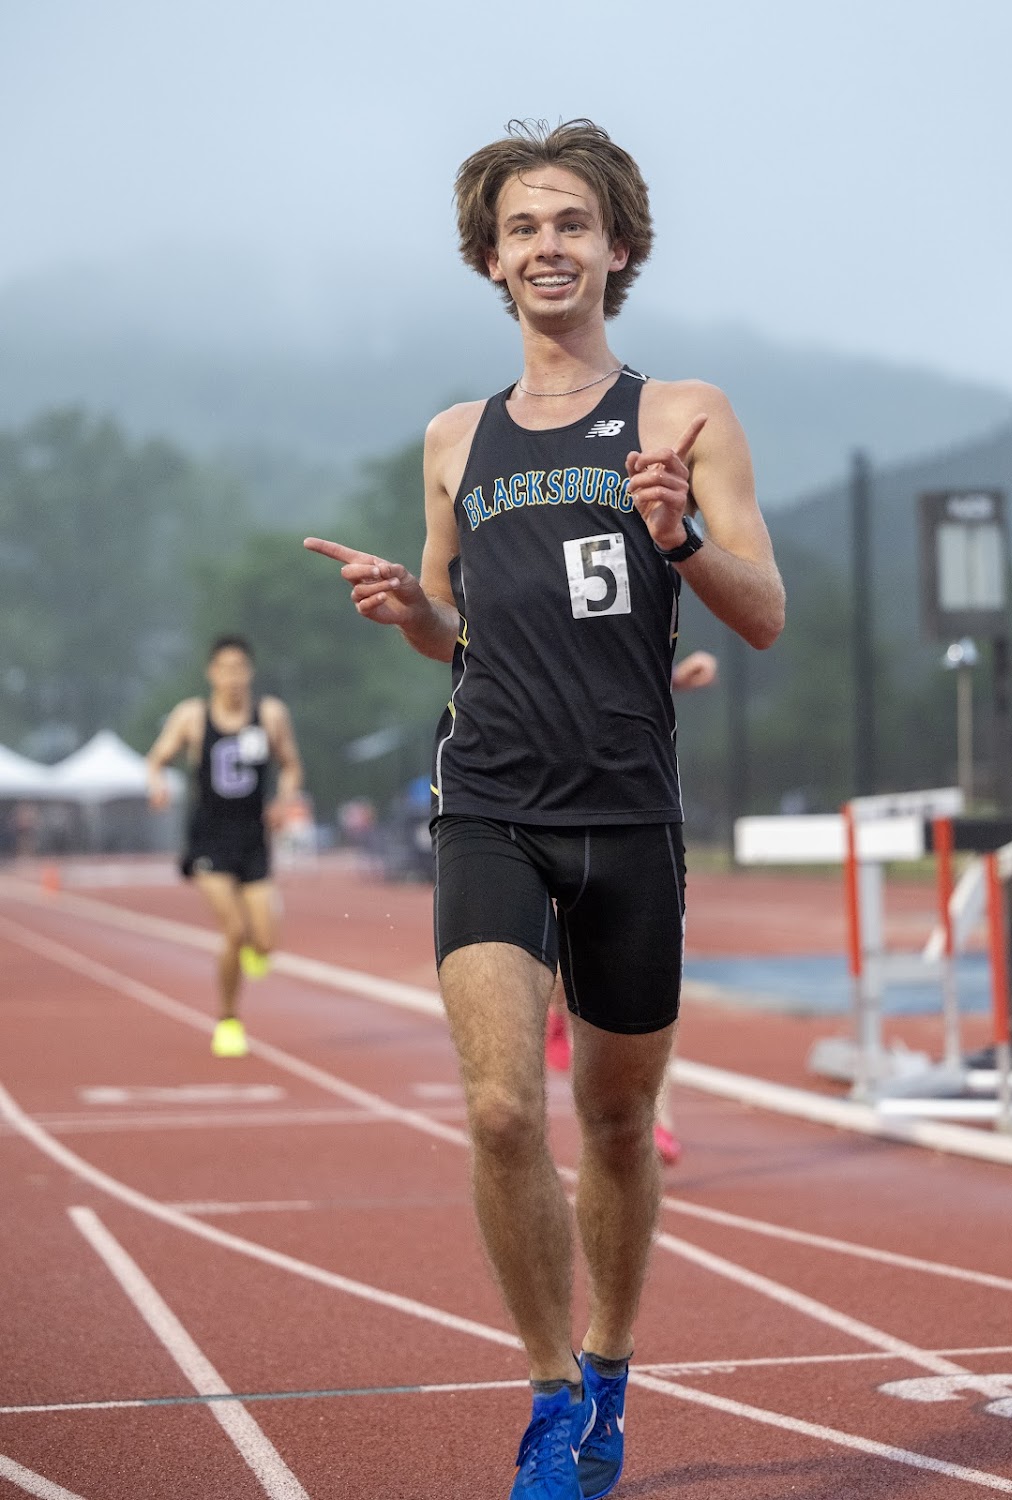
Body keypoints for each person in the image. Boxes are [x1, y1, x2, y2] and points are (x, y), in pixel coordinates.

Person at [305, 119, 784, 1500]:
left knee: (617, 1124)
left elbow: (763, 613)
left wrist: (679, 536)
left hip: (627, 812)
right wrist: (410, 610)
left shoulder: (685, 413)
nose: (546, 246)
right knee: (505, 1111)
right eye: (521, 228)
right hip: (490, 802)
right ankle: (548, 1395)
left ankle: (611, 1363)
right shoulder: (455, 437)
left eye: (570, 222)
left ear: (617, 247)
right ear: (489, 260)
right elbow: (452, 629)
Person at [544, 650, 721, 1168]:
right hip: (547, 790)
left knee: (651, 969)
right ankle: (559, 1011)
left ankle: (658, 1117)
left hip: (635, 796)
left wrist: (673, 678)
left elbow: (619, 667)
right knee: (565, 937)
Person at [146, 635, 303, 1058]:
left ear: (250, 672)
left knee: (264, 942)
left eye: (240, 669)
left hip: (253, 840)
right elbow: (157, 758)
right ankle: (228, 1020)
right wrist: (157, 784)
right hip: (209, 840)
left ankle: (256, 943)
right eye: (225, 669)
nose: (233, 678)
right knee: (233, 930)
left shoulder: (269, 714)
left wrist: (284, 800)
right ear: (211, 673)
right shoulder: (193, 716)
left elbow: (290, 765)